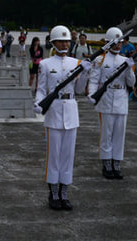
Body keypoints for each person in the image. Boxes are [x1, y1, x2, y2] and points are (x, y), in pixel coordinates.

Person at [34, 25, 86, 211]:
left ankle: (65, 191)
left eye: (67, 41)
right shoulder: (45, 64)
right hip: (54, 111)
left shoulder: (76, 63)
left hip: (71, 111)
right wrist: (39, 103)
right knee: (54, 156)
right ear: (53, 43)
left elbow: (79, 91)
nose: (65, 44)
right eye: (61, 41)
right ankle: (53, 192)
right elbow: (41, 90)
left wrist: (85, 72)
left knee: (68, 155)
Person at [88, 27, 135, 180]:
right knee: (106, 134)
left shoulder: (124, 60)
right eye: (115, 42)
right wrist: (92, 95)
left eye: (120, 42)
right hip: (106, 99)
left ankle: (117, 162)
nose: (118, 45)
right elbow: (94, 80)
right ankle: (107, 162)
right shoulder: (100, 60)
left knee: (119, 134)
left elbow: (131, 82)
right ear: (108, 43)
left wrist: (129, 69)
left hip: (121, 98)